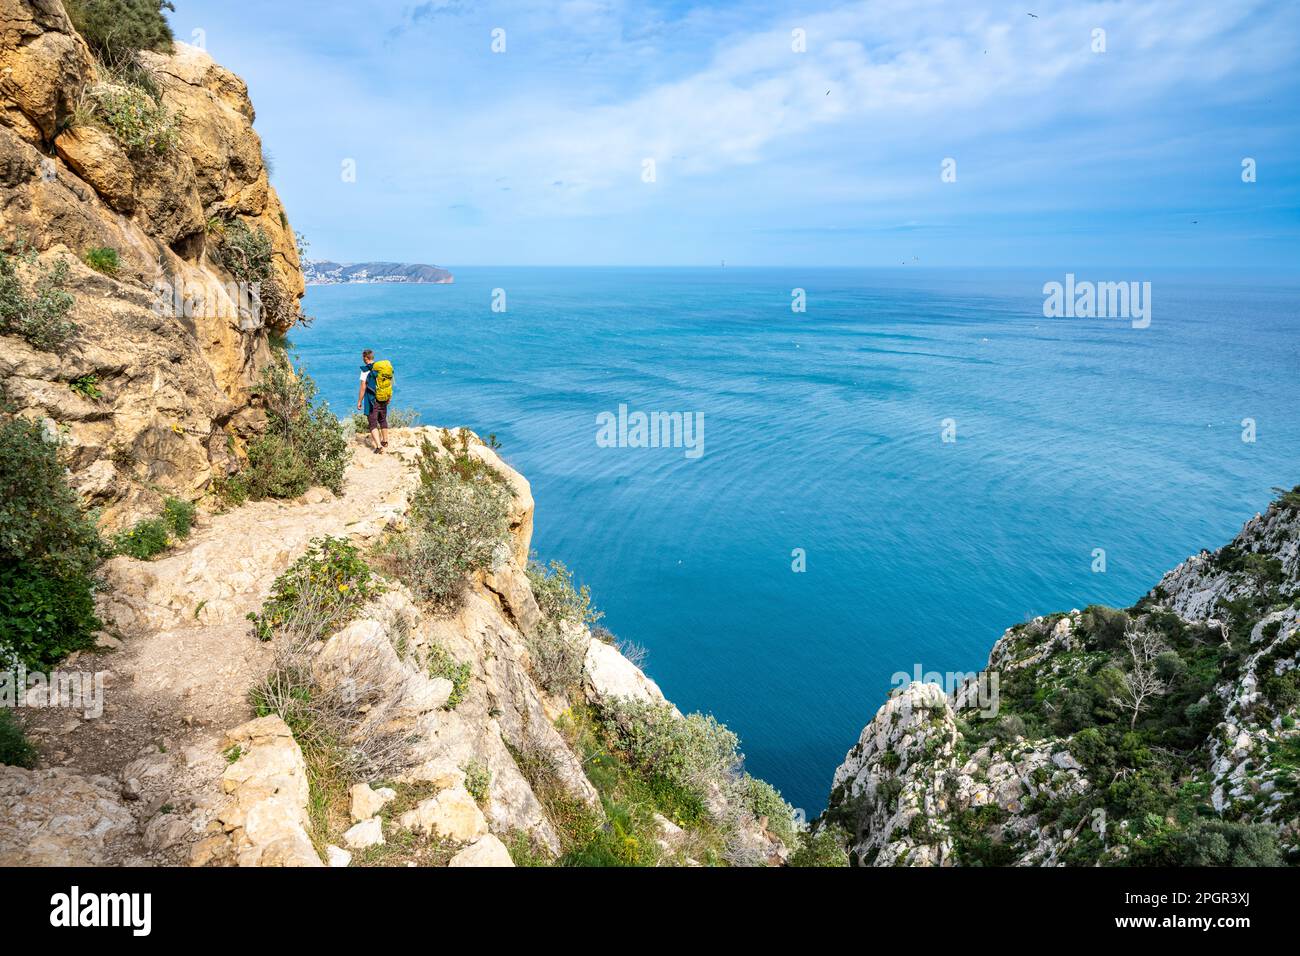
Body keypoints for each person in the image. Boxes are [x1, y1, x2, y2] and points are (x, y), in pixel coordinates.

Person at [355, 349, 393, 453]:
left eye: (363, 358)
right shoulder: (380, 368)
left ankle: (378, 447)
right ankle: (385, 441)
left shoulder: (365, 370)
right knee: (382, 419)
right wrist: (388, 396)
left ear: (365, 358)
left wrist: (359, 401)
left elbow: (363, 387)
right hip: (383, 397)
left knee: (372, 423)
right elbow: (388, 383)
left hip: (372, 400)